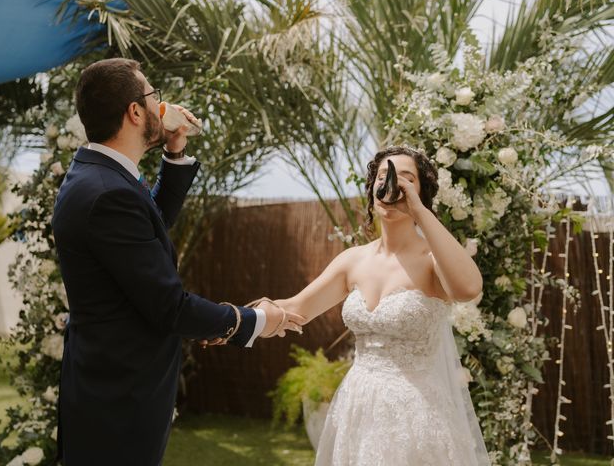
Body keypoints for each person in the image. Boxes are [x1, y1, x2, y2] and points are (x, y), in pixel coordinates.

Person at [51, 58, 303, 465]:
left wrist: (175, 151)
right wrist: (252, 322)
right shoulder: (107, 193)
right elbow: (169, 306)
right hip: (118, 403)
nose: (160, 106)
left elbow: (148, 226)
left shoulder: (99, 177)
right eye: (154, 96)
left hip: (109, 392)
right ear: (135, 111)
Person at [276, 146, 491, 465]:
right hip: (358, 409)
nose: (393, 184)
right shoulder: (353, 260)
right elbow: (296, 308)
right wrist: (235, 320)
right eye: (384, 176)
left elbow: (468, 288)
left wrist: (418, 211)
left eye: (406, 178)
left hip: (417, 416)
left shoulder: (432, 261)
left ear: (422, 193)